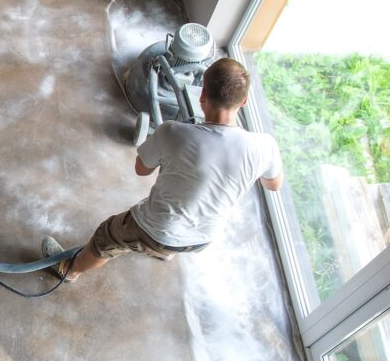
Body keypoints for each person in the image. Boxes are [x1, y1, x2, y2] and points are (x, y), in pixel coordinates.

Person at [43, 57, 284, 280]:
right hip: (204, 238)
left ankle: (70, 270)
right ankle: (164, 250)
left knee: (106, 237)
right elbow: (273, 184)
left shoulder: (172, 132)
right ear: (244, 101)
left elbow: (141, 169)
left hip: (158, 230)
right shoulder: (265, 146)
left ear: (201, 97)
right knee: (176, 229)